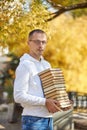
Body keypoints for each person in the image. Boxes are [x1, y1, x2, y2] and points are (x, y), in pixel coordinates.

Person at [13, 29, 61, 130]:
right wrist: (45, 102)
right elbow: (18, 96)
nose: (41, 45)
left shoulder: (47, 65)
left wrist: (61, 101)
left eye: (43, 42)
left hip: (48, 119)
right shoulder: (24, 65)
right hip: (32, 120)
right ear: (28, 43)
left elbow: (48, 93)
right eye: (37, 41)